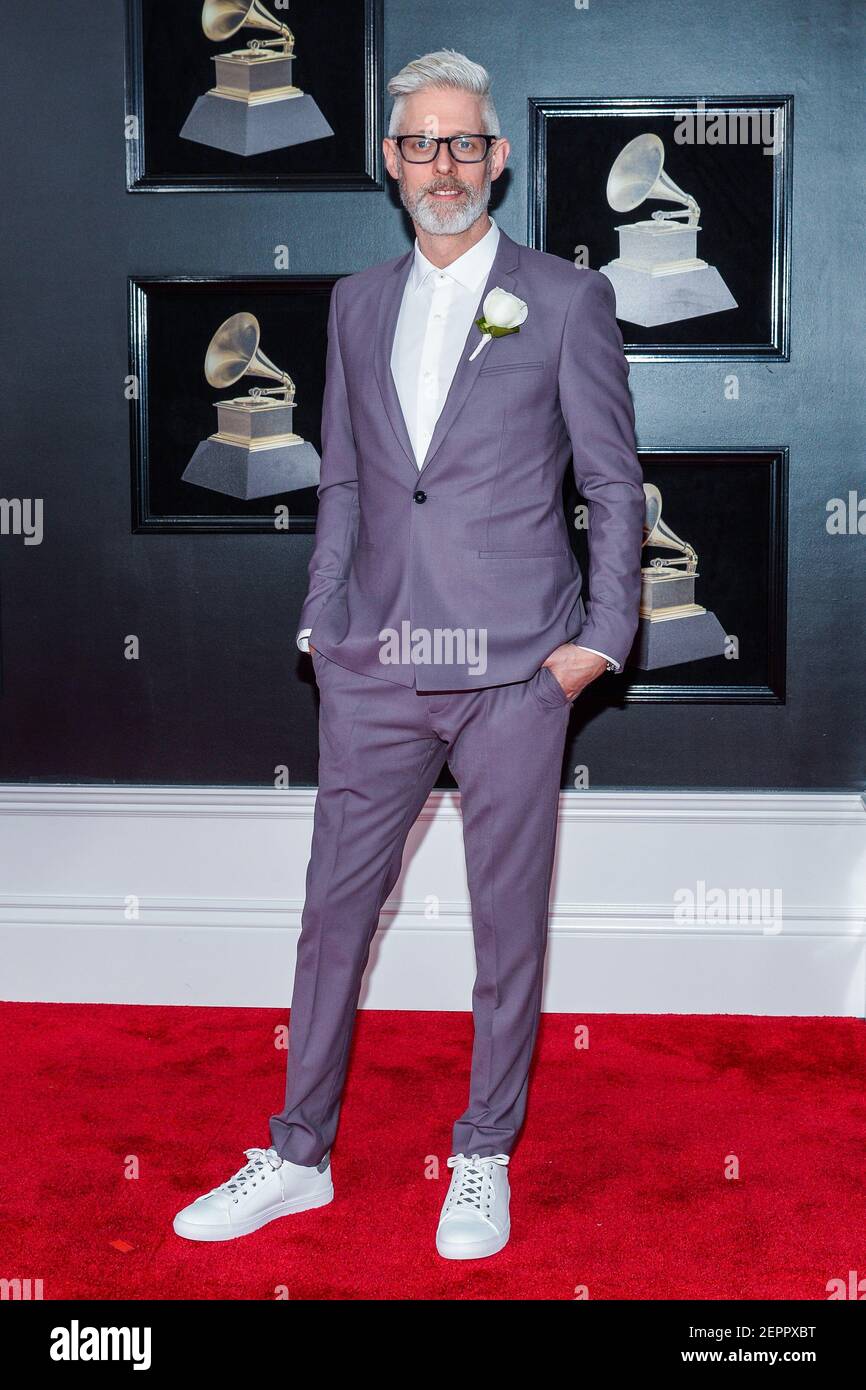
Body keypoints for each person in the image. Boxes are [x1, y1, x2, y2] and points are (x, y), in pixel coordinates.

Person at [174, 48, 644, 1260]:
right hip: (373, 662)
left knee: (506, 925)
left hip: (515, 674)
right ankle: (295, 1155)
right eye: (420, 144)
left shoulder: (567, 298)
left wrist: (598, 641)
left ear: (494, 158)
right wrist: (319, 619)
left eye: (464, 144)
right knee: (332, 916)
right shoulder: (353, 302)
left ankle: (480, 1155)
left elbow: (608, 479)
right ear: (391, 163)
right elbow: (342, 478)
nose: (443, 165)